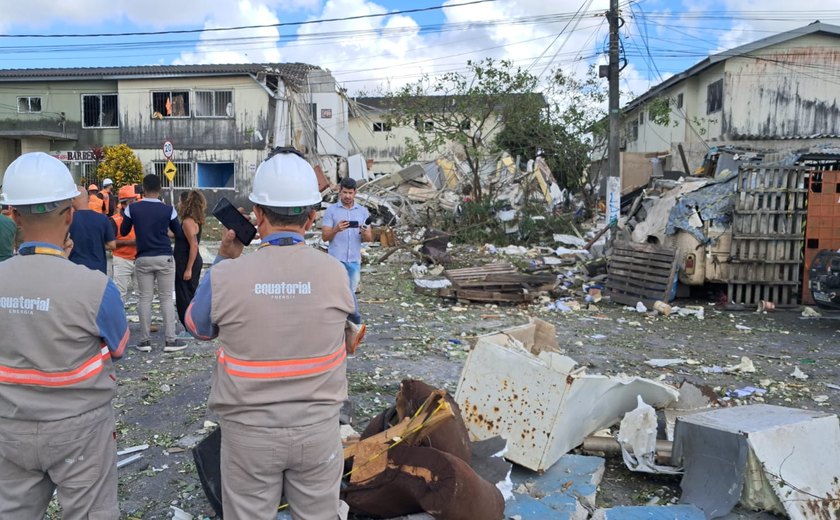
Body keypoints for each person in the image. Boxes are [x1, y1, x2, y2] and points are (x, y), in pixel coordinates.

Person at [185, 148, 356, 520]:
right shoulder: (336, 274)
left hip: (249, 435)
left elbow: (197, 328)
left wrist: (225, 260)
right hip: (318, 432)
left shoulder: (228, 275)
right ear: (312, 218)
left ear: (257, 215)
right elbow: (351, 326)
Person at [0, 152, 128, 519]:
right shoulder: (94, 286)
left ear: (15, 215)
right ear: (69, 214)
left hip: (9, 425)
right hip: (80, 428)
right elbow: (118, 347)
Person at [120, 174, 186, 352]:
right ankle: (170, 341)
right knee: (165, 298)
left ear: (143, 188)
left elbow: (124, 230)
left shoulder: (132, 209)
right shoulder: (168, 209)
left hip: (143, 258)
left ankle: (144, 341)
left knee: (144, 298)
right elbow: (178, 233)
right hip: (164, 256)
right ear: (160, 189)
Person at [321, 176, 372, 325]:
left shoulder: (363, 212)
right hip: (336, 259)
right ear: (339, 192)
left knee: (350, 292)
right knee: (338, 291)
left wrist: (363, 232)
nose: (347, 196)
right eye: (344, 192)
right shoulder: (331, 211)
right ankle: (352, 319)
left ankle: (347, 322)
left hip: (354, 259)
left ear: (355, 192)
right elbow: (325, 237)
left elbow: (369, 238)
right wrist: (336, 229)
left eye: (350, 193)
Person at [174, 189, 206, 327]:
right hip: (186, 262)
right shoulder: (193, 220)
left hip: (187, 262)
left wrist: (188, 269)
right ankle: (191, 325)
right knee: (188, 295)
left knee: (185, 297)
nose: (178, 204)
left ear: (185, 203)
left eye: (180, 201)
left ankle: (190, 326)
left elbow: (194, 246)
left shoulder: (188, 222)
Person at [68, 185, 116, 274]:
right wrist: (96, 243)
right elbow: (112, 245)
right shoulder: (103, 219)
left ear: (73, 199)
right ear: (88, 198)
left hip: (74, 269)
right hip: (98, 270)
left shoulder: (68, 220)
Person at [110, 185, 140, 303]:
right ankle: (119, 321)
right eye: (132, 202)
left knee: (142, 295)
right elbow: (109, 243)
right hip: (122, 260)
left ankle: (144, 321)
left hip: (139, 259)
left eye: (136, 201)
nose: (135, 204)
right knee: (119, 294)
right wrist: (130, 242)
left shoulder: (140, 217)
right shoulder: (114, 220)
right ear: (123, 204)